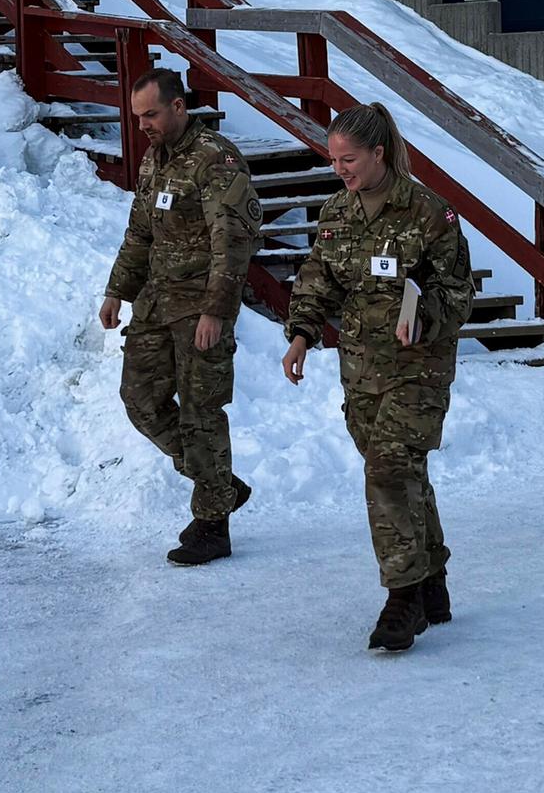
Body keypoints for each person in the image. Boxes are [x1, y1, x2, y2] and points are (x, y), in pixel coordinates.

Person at [281, 102, 476, 653]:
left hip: (419, 369)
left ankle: (403, 597)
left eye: (350, 160)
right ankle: (432, 580)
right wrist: (302, 333)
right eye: (333, 159)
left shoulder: (428, 214)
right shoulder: (336, 214)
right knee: (401, 473)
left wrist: (425, 317)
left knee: (388, 472)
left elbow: (459, 293)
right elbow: (319, 282)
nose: (340, 170)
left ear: (379, 153)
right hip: (362, 372)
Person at [98, 67, 262, 566]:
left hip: (199, 311)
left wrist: (217, 310)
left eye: (150, 114)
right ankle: (220, 484)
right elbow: (138, 233)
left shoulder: (215, 159)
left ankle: (213, 525)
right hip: (155, 303)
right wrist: (116, 291)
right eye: (137, 116)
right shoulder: (154, 161)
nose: (142, 124)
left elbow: (232, 240)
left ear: (178, 106)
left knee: (200, 412)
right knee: (140, 400)